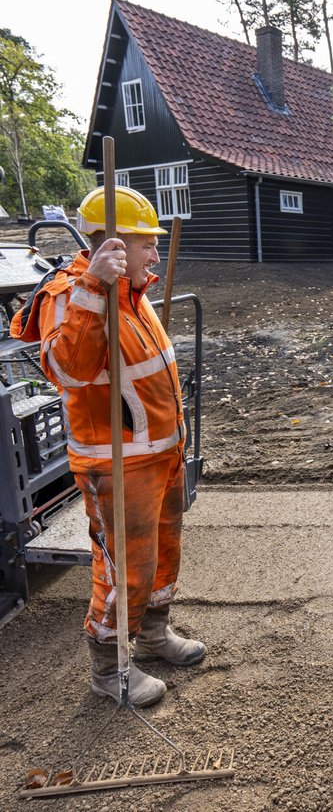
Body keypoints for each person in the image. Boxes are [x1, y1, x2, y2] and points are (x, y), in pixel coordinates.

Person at [10, 186, 205, 707]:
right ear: (112, 243)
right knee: (125, 568)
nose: (156, 254)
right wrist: (95, 284)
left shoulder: (133, 295)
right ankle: (109, 669)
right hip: (117, 465)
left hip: (160, 456)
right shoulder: (71, 294)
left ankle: (154, 634)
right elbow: (70, 369)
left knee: (164, 555)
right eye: (147, 244)